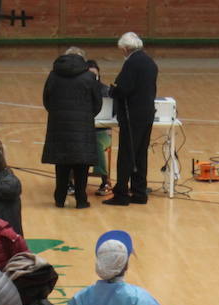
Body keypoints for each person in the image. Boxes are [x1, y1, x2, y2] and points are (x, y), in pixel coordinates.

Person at [43, 46, 103, 210]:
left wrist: (57, 114)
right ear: (83, 59)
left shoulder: (54, 75)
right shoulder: (89, 77)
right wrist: (87, 115)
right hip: (82, 126)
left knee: (61, 164)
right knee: (82, 165)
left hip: (59, 124)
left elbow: (46, 99)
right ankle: (81, 200)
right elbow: (97, 103)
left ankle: (60, 199)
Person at [104, 31, 158, 207]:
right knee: (140, 153)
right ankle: (139, 192)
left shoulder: (132, 63)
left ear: (127, 48)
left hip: (131, 115)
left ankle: (121, 194)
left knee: (127, 155)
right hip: (147, 113)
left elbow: (123, 89)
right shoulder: (150, 62)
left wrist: (113, 90)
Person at [86, 60, 113, 196]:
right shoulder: (80, 91)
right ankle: (71, 181)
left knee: (96, 142)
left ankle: (105, 180)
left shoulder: (106, 91)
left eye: (95, 75)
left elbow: (112, 113)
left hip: (102, 132)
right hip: (83, 131)